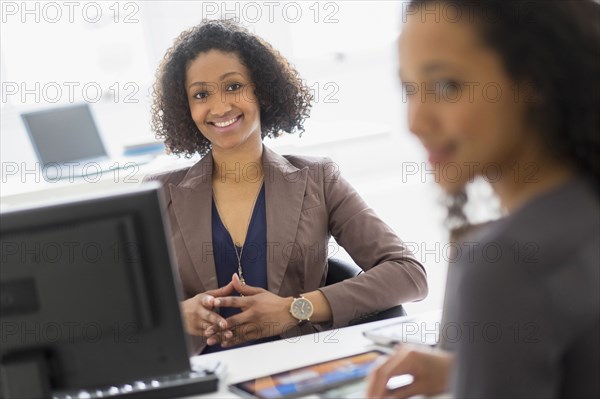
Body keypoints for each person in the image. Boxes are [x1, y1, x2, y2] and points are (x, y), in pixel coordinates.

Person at [143, 20, 428, 355]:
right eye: (201, 94)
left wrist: (296, 308)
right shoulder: (159, 194)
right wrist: (178, 315)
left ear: (262, 89)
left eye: (233, 87)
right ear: (186, 107)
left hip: (299, 365)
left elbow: (408, 274)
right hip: (208, 375)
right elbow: (121, 309)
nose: (219, 107)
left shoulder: (318, 178)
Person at [367, 0, 600, 397]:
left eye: (446, 86)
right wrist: (469, 369)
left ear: (535, 82)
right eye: (409, 89)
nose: (415, 122)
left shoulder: (507, 264)